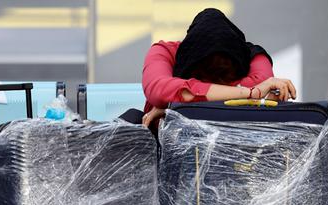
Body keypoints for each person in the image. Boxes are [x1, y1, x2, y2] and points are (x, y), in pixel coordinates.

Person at [123, 8, 297, 128]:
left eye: (225, 78)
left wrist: (173, 108)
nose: (215, 82)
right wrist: (250, 94)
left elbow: (167, 95)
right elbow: (160, 91)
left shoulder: (253, 56)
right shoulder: (165, 52)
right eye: (203, 77)